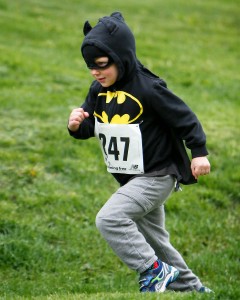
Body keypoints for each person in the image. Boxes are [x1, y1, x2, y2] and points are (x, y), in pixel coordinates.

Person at [68, 12, 212, 293]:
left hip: (158, 174)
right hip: (132, 180)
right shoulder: (99, 89)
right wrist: (77, 125)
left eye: (101, 65)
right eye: (90, 67)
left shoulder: (149, 88)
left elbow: (185, 118)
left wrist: (199, 152)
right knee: (157, 241)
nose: (95, 72)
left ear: (121, 56)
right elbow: (92, 125)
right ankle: (194, 290)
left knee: (110, 219)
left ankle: (153, 270)